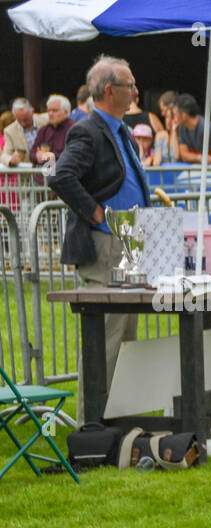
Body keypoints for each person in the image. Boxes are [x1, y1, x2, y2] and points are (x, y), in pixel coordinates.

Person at [48, 56, 150, 425]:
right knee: (106, 338)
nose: (136, 92)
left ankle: (119, 419)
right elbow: (61, 177)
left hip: (129, 245)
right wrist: (96, 214)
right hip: (107, 247)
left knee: (126, 335)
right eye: (130, 86)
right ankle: (92, 423)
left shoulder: (121, 130)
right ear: (110, 91)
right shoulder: (87, 130)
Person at [173, 93, 211, 164]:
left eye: (175, 114)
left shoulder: (207, 129)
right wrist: (199, 158)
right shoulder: (182, 128)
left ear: (184, 116)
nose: (174, 119)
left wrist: (197, 158)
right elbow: (183, 154)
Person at [2, 98, 47, 165]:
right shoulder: (9, 131)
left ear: (32, 111)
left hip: (49, 170)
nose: (23, 123)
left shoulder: (46, 120)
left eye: (26, 120)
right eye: (19, 120)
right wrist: (11, 159)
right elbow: (4, 155)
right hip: (27, 173)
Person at [31, 95, 73, 166]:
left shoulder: (73, 129)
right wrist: (37, 156)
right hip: (44, 175)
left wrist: (51, 156)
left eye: (54, 110)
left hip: (64, 173)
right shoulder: (44, 130)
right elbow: (32, 153)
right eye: (49, 110)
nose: (50, 114)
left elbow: (72, 155)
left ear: (66, 112)